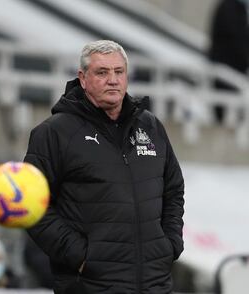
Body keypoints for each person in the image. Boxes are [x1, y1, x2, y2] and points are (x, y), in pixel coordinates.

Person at [24, 40, 185, 294]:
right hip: (91, 285)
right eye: (102, 72)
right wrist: (81, 256)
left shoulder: (151, 126)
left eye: (119, 72)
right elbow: (32, 206)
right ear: (83, 78)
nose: (113, 80)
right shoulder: (53, 133)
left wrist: (170, 244)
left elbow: (173, 189)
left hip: (154, 283)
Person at [208, 0, 249, 122]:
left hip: (235, 76)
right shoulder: (229, 8)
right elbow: (238, 42)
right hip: (226, 76)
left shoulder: (237, 9)